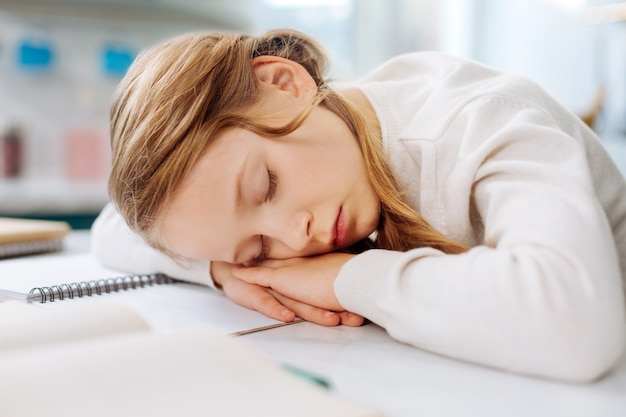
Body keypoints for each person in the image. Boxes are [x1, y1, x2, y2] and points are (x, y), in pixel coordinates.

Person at [91, 29, 626, 383]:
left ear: (284, 82)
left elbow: (576, 327)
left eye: (268, 186)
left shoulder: (475, 120)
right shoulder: (331, 149)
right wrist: (224, 269)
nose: (295, 238)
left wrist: (345, 278)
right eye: (259, 247)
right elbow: (110, 230)